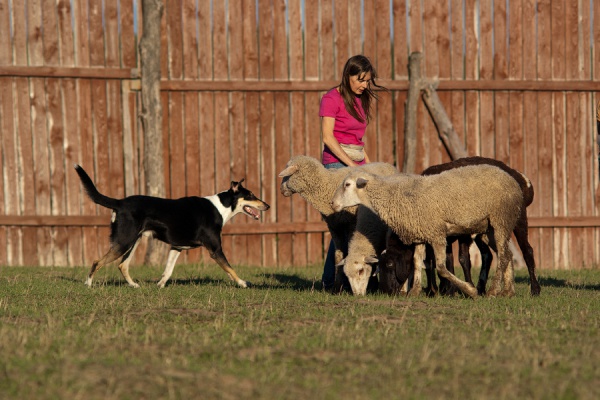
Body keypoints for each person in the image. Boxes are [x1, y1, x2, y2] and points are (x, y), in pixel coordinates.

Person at [319, 54, 386, 291]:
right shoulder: (331, 98)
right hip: (336, 164)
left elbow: (359, 141)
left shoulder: (360, 99)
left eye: (367, 81)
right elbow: (328, 137)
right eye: (360, 80)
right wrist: (350, 166)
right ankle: (331, 280)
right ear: (347, 75)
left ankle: (359, 278)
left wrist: (370, 168)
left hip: (356, 163)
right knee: (344, 224)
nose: (364, 85)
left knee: (365, 222)